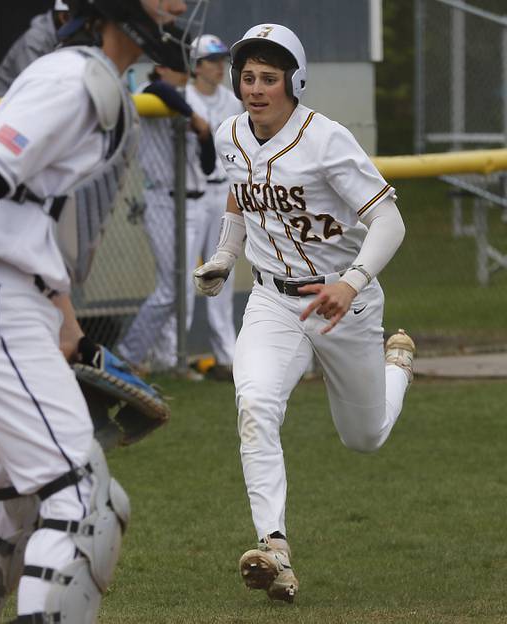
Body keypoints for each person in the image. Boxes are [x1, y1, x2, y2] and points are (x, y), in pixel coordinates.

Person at [0, 1, 196, 622]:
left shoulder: (95, 80)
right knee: (82, 498)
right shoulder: (72, 78)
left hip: (3, 301)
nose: (178, 4)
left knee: (5, 509)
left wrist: (63, 317)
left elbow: (27, 208)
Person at [193, 23, 416, 602]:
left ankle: (397, 365)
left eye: (270, 77)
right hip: (271, 300)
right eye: (248, 77)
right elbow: (240, 196)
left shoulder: (327, 140)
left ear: (295, 81)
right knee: (255, 404)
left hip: (346, 304)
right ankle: (274, 547)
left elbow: (389, 221)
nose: (257, 88)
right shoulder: (230, 135)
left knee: (364, 437)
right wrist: (224, 256)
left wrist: (352, 279)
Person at [115, 62, 215, 374]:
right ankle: (128, 355)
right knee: (174, 286)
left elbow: (209, 164)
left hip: (193, 203)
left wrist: (202, 131)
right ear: (162, 67)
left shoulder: (186, 100)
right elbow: (160, 89)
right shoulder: (152, 93)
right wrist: (192, 117)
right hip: (162, 199)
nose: (185, 75)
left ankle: (165, 358)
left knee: (180, 287)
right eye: (179, 69)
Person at [185, 34, 242, 381]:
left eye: (222, 59)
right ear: (196, 66)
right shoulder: (183, 97)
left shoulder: (231, 100)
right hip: (189, 194)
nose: (219, 66)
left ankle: (228, 354)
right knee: (182, 280)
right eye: (211, 60)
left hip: (223, 193)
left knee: (221, 272)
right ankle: (171, 353)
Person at [0, 0, 69, 145]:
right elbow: (36, 92)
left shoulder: (66, 39)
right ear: (63, 16)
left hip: (15, 122)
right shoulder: (35, 40)